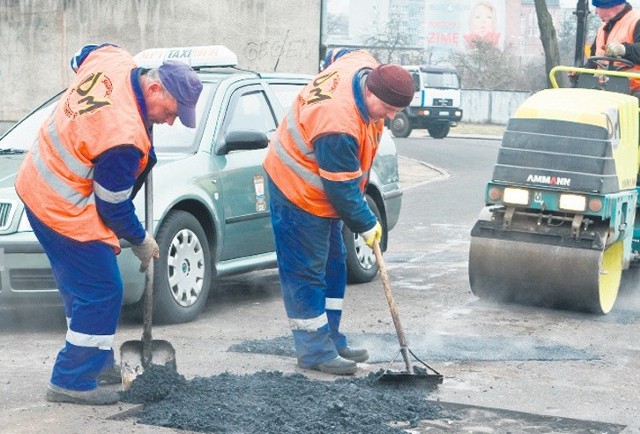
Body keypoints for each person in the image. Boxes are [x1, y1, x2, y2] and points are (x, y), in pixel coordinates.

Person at [14, 43, 202, 405]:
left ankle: (97, 361)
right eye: (170, 112)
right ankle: (70, 379)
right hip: (62, 205)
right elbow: (112, 206)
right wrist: (141, 240)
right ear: (153, 89)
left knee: (86, 287)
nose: (170, 121)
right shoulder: (122, 137)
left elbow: (82, 55)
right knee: (101, 290)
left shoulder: (114, 59)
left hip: (37, 182)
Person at [263, 48, 414, 375]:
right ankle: (313, 350)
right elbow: (342, 190)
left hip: (323, 187)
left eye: (396, 111)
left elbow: (341, 54)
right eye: (386, 109)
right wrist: (368, 222)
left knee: (335, 262)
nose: (389, 117)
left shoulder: (364, 66)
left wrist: (363, 219)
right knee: (307, 269)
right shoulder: (338, 123)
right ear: (369, 91)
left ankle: (331, 337)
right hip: (296, 187)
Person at [590, 0, 640, 96]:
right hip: (603, 87)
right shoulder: (603, 29)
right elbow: (593, 60)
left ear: (609, 6)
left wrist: (623, 50)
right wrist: (579, 71)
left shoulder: (636, 20)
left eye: (597, 7)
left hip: (633, 89)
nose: (595, 11)